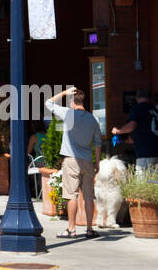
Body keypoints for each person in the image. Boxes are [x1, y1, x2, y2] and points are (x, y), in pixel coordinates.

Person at [45, 87, 104, 237]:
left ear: (72, 101)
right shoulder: (93, 119)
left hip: (71, 160)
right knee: (89, 196)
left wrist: (64, 92)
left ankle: (71, 229)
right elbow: (98, 143)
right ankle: (90, 229)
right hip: (88, 161)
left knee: (71, 195)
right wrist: (97, 163)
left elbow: (48, 103)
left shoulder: (68, 113)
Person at [112, 90, 158, 172]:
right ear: (148, 98)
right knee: (153, 181)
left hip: (145, 153)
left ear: (137, 98)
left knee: (142, 182)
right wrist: (134, 140)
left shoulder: (138, 108)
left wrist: (118, 131)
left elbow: (132, 125)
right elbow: (149, 130)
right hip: (155, 151)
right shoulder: (154, 110)